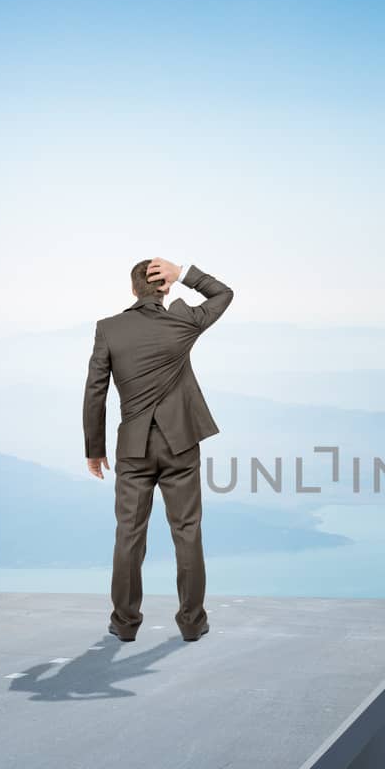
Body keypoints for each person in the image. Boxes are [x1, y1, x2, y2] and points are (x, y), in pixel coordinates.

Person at [82, 257, 235, 642]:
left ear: (133, 290)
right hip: (180, 443)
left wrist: (94, 449)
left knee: (128, 535)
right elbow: (224, 293)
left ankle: (125, 624)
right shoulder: (182, 320)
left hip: (133, 448)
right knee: (187, 532)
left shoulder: (109, 329)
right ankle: (192, 624)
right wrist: (183, 272)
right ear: (164, 288)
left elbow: (95, 392)